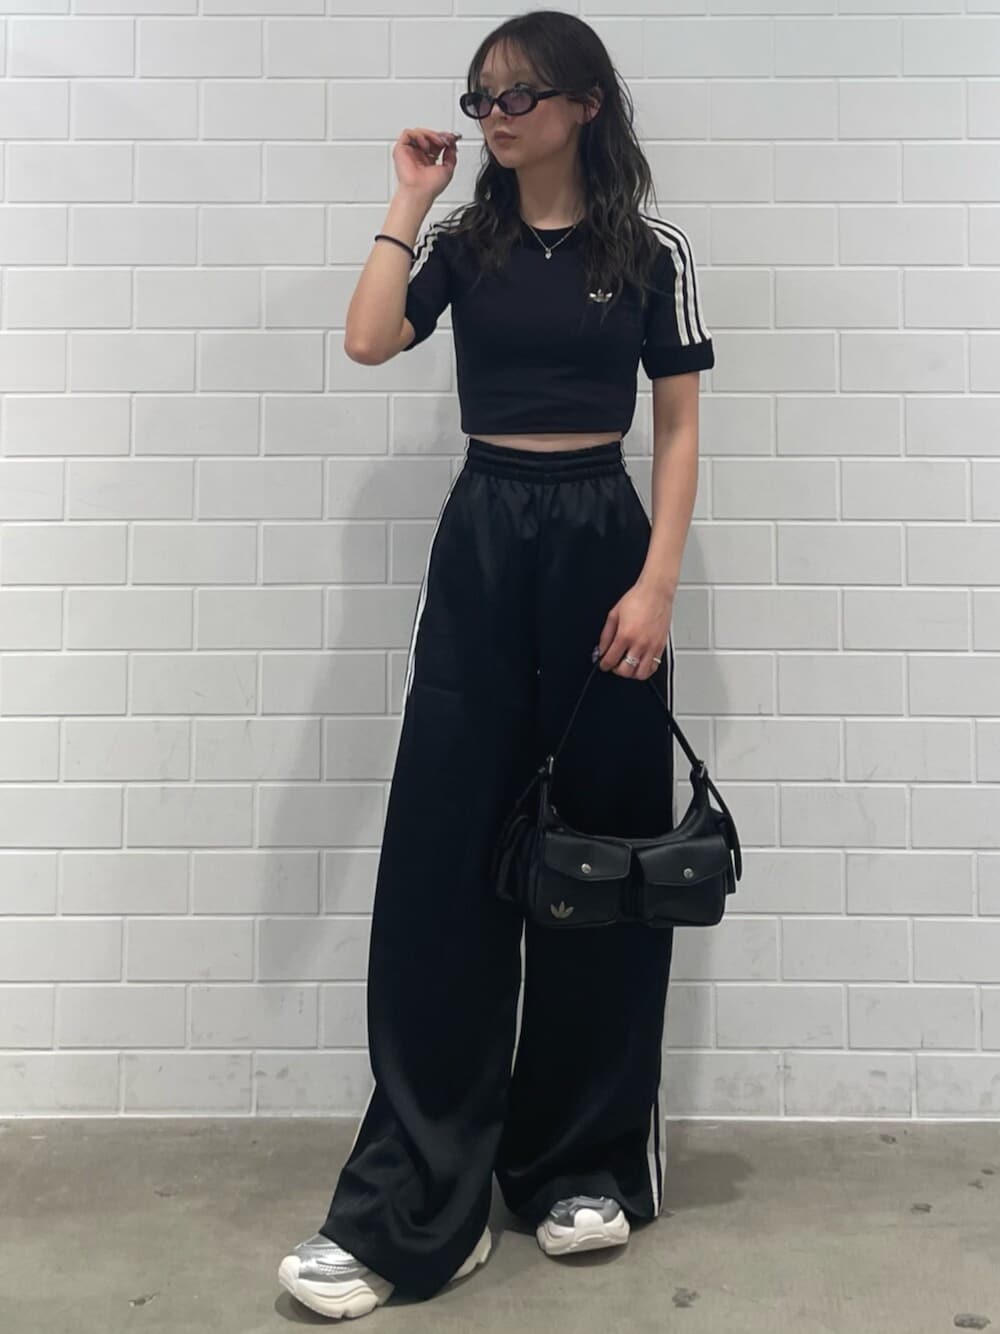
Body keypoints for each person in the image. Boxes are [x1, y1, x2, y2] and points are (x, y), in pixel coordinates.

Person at [277, 8, 714, 1321]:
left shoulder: (652, 253)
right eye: (481, 99)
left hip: (603, 548)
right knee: (444, 859)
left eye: (519, 96)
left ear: (585, 104)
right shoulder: (466, 242)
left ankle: (579, 1163)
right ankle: (425, 1198)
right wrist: (408, 199)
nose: (495, 119)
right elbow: (368, 339)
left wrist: (657, 582)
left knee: (602, 861)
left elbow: (679, 427)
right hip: (482, 540)